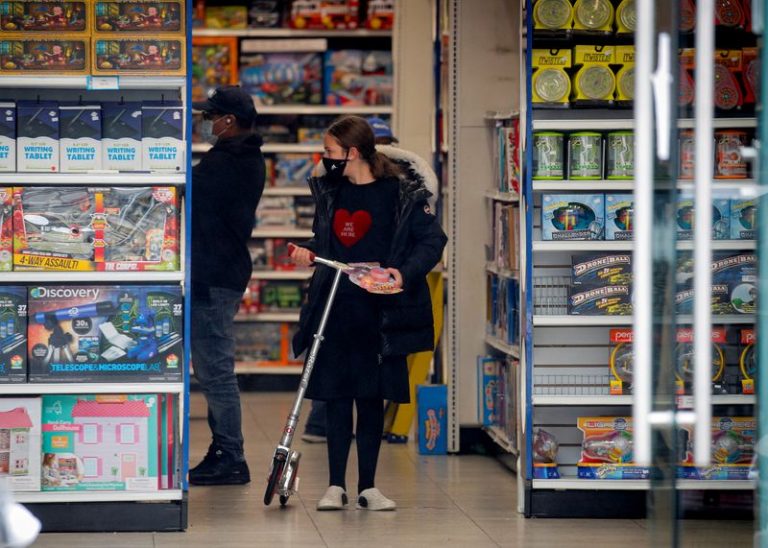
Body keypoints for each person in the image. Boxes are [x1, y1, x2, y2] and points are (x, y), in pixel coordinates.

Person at [290, 115, 447, 511]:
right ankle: (334, 486)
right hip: (335, 308)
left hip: (380, 312)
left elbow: (432, 242)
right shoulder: (331, 192)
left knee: (371, 397)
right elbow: (325, 241)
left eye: (330, 151)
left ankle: (368, 487)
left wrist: (403, 272)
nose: (324, 159)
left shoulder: (401, 195)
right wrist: (309, 252)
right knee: (336, 397)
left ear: (353, 152)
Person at [189, 85, 266, 485]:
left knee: (215, 371)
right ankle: (224, 451)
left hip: (214, 276)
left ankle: (231, 455)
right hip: (221, 272)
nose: (204, 123)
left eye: (209, 116)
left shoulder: (228, 162)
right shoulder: (242, 156)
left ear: (229, 121)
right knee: (213, 368)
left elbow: (188, 193)